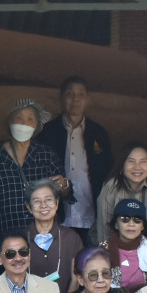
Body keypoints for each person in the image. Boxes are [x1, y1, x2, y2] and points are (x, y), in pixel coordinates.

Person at [0, 99, 68, 246]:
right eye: (19, 118)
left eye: (30, 119)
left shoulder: (46, 154)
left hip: (43, 237)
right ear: (10, 122)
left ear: (36, 125)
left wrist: (64, 185)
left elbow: (63, 192)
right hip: (6, 236)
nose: (24, 123)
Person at [38, 76, 112, 237]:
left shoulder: (98, 132)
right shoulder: (47, 132)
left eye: (80, 95)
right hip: (57, 215)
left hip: (91, 214)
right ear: (61, 98)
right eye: (70, 94)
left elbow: (108, 171)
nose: (75, 99)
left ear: (88, 99)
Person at [95, 145, 147, 256]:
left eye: (143, 161)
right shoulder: (110, 187)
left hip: (145, 248)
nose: (137, 167)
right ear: (122, 165)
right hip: (114, 246)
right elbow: (104, 229)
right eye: (131, 161)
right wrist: (110, 259)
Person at [24, 179, 83, 293]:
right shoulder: (20, 238)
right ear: (29, 208)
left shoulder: (71, 238)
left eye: (49, 200)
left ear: (56, 203)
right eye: (37, 201)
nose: (43, 205)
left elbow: (75, 278)